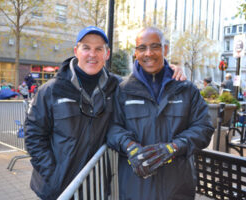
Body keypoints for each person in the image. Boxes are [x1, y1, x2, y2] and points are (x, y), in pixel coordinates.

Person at [24, 26, 187, 200]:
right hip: (56, 189)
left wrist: (170, 69)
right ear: (76, 51)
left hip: (94, 186)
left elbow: (147, 81)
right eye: (86, 48)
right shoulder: (51, 90)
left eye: (98, 49)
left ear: (107, 54)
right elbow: (34, 136)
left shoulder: (117, 86)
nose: (92, 54)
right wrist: (54, 176)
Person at [107, 27, 214, 200]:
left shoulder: (186, 89)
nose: (148, 53)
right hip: (136, 188)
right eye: (142, 48)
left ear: (165, 49)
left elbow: (204, 128)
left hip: (177, 187)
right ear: (136, 53)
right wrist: (129, 146)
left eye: (155, 46)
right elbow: (112, 127)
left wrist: (174, 147)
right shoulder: (123, 90)